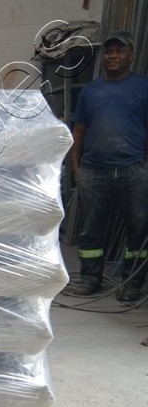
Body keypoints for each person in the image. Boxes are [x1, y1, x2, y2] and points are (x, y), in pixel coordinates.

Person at [70, 30, 148, 301]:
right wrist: (76, 170)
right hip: (94, 171)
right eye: (109, 51)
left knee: (138, 228)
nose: (113, 56)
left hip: (133, 170)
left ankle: (132, 282)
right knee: (90, 230)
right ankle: (90, 279)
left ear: (131, 56)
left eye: (120, 51)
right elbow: (78, 133)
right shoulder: (90, 92)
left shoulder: (143, 87)